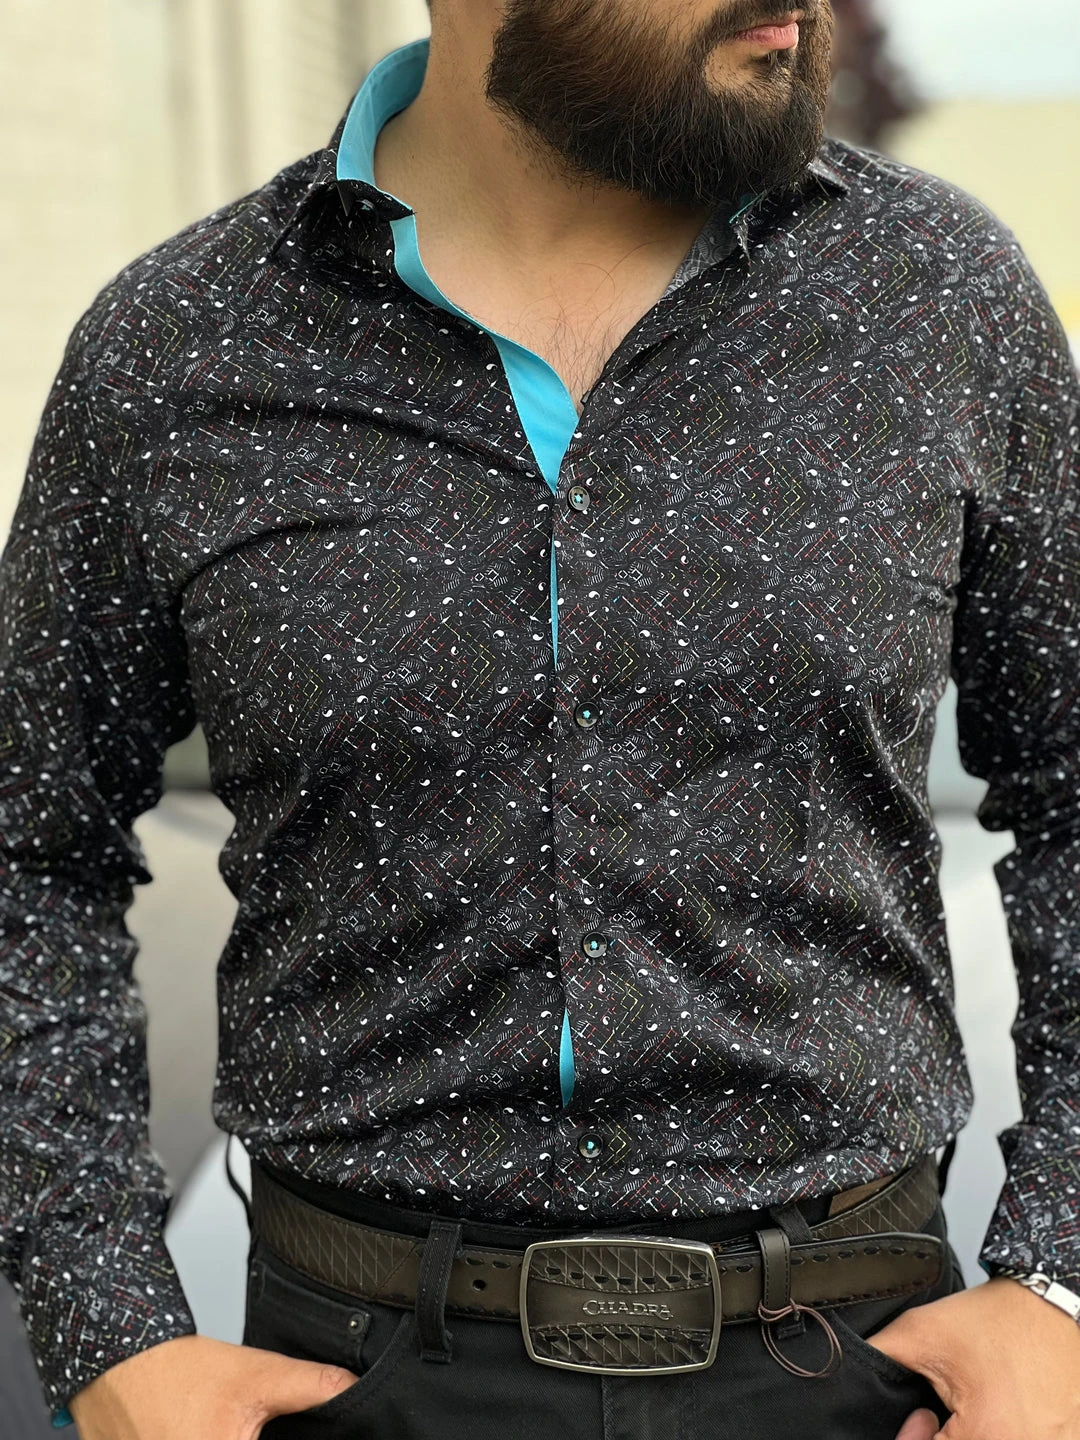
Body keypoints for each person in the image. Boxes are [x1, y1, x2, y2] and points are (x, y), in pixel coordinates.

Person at [1, 1, 1078, 1436]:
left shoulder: (938, 297)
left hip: (868, 1373)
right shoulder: (179, 345)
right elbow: (29, 851)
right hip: (354, 1378)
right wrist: (109, 1331)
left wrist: (1058, 1280)